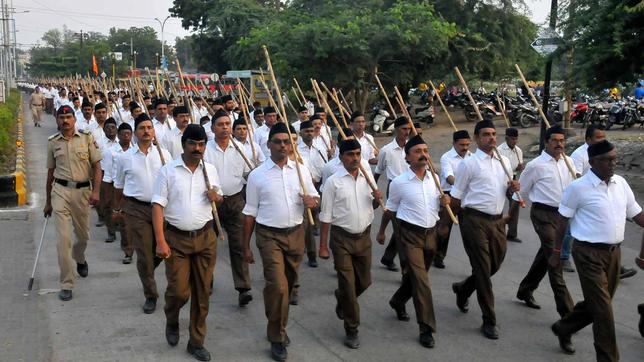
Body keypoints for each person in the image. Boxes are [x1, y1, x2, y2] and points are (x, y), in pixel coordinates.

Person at [548, 140, 644, 361]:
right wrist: (556, 252)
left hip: (614, 254)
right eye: (606, 160)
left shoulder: (621, 183)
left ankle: (565, 326)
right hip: (587, 254)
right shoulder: (578, 188)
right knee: (603, 311)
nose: (612, 163)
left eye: (614, 159)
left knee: (598, 303)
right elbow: (562, 221)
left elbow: (637, 214)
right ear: (592, 162)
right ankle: (608, 357)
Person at [241, 122, 319, 362]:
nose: (283, 146)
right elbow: (250, 212)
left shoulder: (300, 170)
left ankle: (278, 325)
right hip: (268, 236)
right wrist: (245, 246)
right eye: (278, 142)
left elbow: (314, 197)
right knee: (278, 286)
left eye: (287, 142)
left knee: (289, 284)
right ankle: (276, 337)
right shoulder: (257, 175)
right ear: (269, 145)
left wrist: (312, 202)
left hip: (296, 234)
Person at [152, 124, 223, 362]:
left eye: (201, 144)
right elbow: (158, 206)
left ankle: (196, 342)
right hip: (176, 240)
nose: (197, 148)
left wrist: (217, 197)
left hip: (205, 237)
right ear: (184, 145)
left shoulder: (209, 170)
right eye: (192, 144)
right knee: (179, 292)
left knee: (203, 294)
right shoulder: (168, 171)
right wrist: (160, 241)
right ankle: (172, 318)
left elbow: (218, 197)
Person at [376, 135, 449, 348]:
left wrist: (446, 202)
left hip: (431, 234)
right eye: (417, 151)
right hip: (409, 236)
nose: (423, 154)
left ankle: (398, 300)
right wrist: (381, 232)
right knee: (422, 282)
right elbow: (390, 211)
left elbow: (440, 205)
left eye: (425, 150)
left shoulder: (435, 179)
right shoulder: (399, 183)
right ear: (407, 157)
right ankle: (426, 327)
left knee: (417, 278)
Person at [450, 120, 520, 340]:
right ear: (477, 138)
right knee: (482, 269)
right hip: (474, 220)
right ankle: (489, 320)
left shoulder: (504, 162)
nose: (491, 137)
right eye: (486, 134)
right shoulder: (469, 164)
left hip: (497, 221)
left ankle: (463, 288)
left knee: (494, 264)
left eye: (493, 134)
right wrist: (447, 223)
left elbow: (507, 192)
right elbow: (456, 196)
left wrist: (512, 189)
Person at [319, 139, 381, 349]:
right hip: (341, 237)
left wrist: (377, 198)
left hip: (364, 236)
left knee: (364, 282)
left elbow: (371, 205)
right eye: (350, 155)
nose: (355, 158)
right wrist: (323, 245)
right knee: (347, 281)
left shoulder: (367, 176)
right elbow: (325, 215)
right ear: (341, 157)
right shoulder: (333, 182)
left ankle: (343, 298)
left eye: (357, 154)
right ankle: (351, 329)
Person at [513, 126, 576, 320]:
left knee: (546, 255)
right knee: (555, 259)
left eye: (562, 141)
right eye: (555, 140)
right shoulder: (536, 165)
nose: (560, 144)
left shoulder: (570, 162)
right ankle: (568, 314)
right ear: (546, 142)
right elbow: (519, 192)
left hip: (563, 216)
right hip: (543, 215)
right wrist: (509, 217)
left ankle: (525, 289)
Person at [113, 113, 172, 314]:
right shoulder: (124, 158)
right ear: (135, 133)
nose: (146, 131)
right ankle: (151, 294)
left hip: (162, 208)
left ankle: (146, 270)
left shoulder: (165, 155)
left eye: (149, 128)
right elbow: (118, 186)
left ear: (154, 132)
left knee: (163, 250)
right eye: (142, 128)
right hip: (136, 209)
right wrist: (118, 208)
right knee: (145, 253)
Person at [43, 105, 102, 301]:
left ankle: (80, 257)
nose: (65, 121)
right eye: (62, 117)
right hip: (60, 191)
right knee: (63, 240)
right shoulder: (53, 142)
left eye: (69, 117)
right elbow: (50, 173)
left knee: (83, 236)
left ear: (74, 120)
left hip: (83, 192)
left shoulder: (86, 138)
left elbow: (97, 167)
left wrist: (96, 191)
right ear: (57, 120)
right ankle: (66, 283)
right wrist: (47, 202)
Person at [204, 110, 254, 306]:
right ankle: (206, 282)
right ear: (212, 128)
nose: (225, 127)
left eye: (227, 124)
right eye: (220, 124)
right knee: (208, 246)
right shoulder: (205, 150)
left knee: (239, 245)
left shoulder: (240, 148)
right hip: (211, 203)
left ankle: (243, 287)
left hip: (235, 201)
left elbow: (247, 175)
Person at [374, 117, 412, 271]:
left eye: (409, 129)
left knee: (405, 226)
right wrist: (372, 190)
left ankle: (388, 257)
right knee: (398, 225)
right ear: (396, 129)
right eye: (403, 128)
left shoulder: (413, 147)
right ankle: (405, 267)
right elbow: (377, 172)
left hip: (412, 187)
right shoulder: (386, 150)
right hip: (395, 187)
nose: (407, 132)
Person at [435, 130, 472, 269]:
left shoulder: (471, 157)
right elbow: (449, 177)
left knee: (469, 231)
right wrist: (461, 185)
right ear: (454, 143)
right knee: (444, 229)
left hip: (466, 197)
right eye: (462, 144)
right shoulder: (447, 157)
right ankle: (438, 256)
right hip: (449, 196)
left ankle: (475, 259)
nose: (465, 147)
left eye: (467, 144)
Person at [103, 123, 134, 263]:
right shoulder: (111, 152)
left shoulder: (135, 151)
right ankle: (128, 251)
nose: (126, 136)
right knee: (124, 222)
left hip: (132, 189)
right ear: (119, 135)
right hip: (117, 187)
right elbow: (108, 173)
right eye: (123, 133)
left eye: (129, 133)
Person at [497, 127, 524, 243]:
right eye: (512, 139)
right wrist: (514, 168)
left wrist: (519, 168)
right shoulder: (499, 150)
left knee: (515, 202)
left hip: (512, 179)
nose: (514, 141)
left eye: (516, 139)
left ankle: (512, 233)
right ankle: (499, 229)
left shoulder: (519, 151)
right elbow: (499, 169)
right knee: (498, 205)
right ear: (506, 138)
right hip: (501, 180)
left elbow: (518, 169)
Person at [97, 117, 119, 239]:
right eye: (107, 128)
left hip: (120, 179)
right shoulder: (99, 143)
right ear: (103, 129)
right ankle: (111, 232)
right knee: (107, 205)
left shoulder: (123, 142)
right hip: (105, 176)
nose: (110, 130)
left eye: (113, 127)